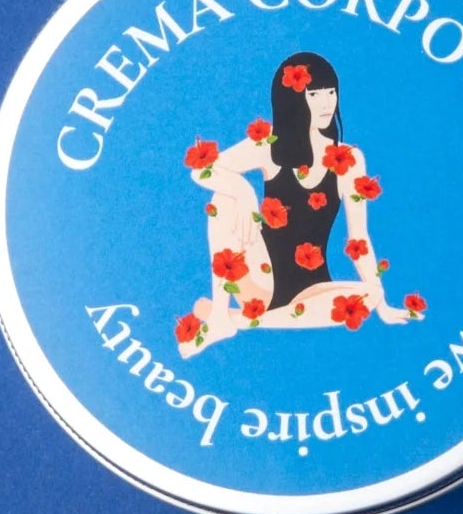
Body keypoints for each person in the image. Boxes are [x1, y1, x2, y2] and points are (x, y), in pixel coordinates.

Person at [175, 51, 409, 356]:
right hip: (259, 281)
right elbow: (202, 170)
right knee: (224, 199)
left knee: (370, 294)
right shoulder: (268, 144)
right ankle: (221, 314)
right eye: (314, 94)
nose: (326, 103)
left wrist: (383, 305)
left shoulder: (349, 158)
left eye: (331, 92)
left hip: (312, 291)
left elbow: (358, 238)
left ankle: (233, 320)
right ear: (293, 97)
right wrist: (244, 191)